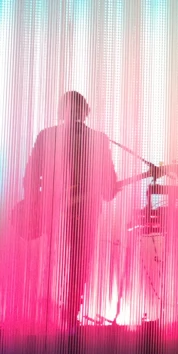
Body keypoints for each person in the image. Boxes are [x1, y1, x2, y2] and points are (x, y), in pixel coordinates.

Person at [22, 91, 119, 331]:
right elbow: (32, 175)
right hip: (53, 212)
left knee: (78, 263)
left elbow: (109, 185)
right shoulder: (47, 137)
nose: (75, 113)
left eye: (79, 109)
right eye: (70, 108)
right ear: (62, 111)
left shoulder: (99, 139)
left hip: (84, 212)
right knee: (56, 262)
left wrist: (108, 186)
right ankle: (50, 312)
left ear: (85, 112)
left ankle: (70, 312)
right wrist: (35, 205)